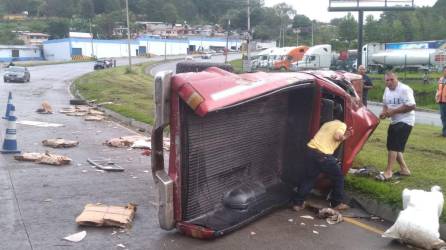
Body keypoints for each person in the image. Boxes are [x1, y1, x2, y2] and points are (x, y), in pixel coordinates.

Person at [292, 113, 353, 211]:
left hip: (310, 150)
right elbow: (337, 136)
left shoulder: (327, 124)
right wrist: (345, 136)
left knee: (309, 178)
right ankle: (337, 203)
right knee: (338, 177)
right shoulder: (342, 125)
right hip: (322, 154)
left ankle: (298, 204)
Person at [377, 71, 416, 180]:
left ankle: (388, 172)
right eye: (387, 80)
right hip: (394, 121)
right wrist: (384, 112)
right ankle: (404, 170)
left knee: (393, 146)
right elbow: (385, 104)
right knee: (393, 146)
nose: (389, 82)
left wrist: (393, 112)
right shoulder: (386, 90)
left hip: (406, 120)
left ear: (396, 79)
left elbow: (412, 105)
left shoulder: (404, 89)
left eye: (391, 80)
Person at [435, 66, 446, 137]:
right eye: (445, 71)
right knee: (443, 117)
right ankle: (444, 132)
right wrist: (437, 96)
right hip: (441, 101)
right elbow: (438, 90)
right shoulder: (441, 79)